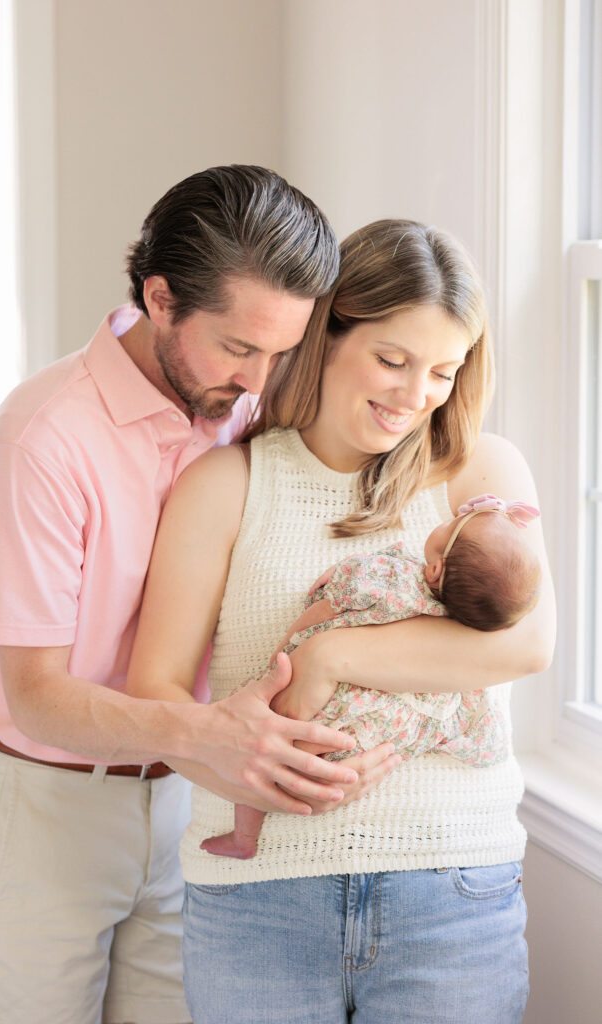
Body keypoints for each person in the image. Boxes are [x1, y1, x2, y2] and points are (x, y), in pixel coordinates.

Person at [0, 166, 401, 1024]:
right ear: (159, 297)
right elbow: (37, 698)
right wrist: (216, 737)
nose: (262, 379)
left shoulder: (243, 412)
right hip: (41, 805)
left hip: (185, 802)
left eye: (283, 349)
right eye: (238, 346)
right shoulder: (39, 440)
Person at [126, 218, 556, 1024]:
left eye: (441, 370)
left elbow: (526, 643)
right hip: (256, 901)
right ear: (325, 333)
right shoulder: (224, 483)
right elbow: (154, 684)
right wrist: (243, 763)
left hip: (452, 889)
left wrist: (330, 656)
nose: (413, 394)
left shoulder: (483, 474)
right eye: (391, 360)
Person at [199, 493, 542, 859]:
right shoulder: (458, 648)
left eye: (450, 525)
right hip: (367, 734)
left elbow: (339, 596)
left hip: (318, 702)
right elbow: (486, 739)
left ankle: (244, 837)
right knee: (288, 761)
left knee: (265, 738)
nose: (449, 517)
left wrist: (292, 642)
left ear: (435, 570)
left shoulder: (394, 578)